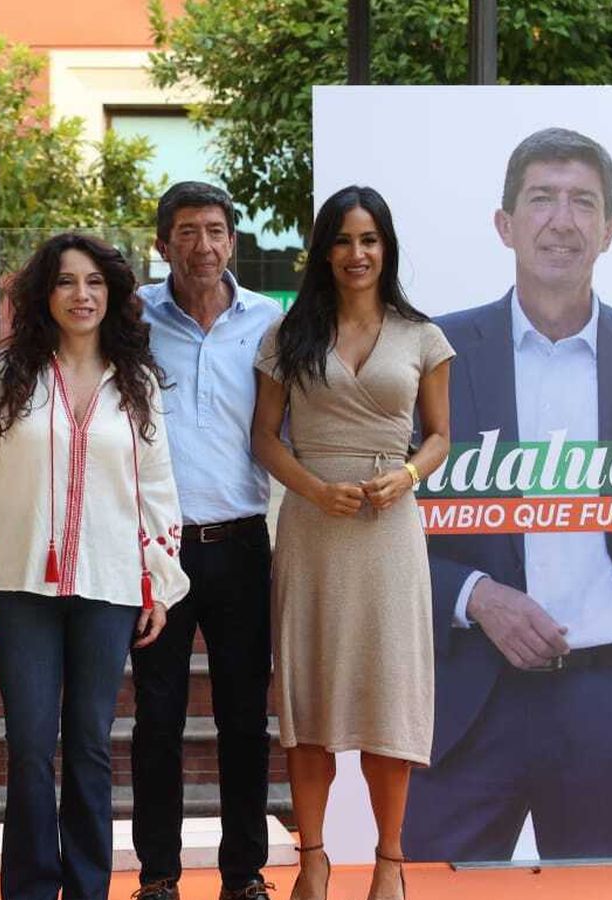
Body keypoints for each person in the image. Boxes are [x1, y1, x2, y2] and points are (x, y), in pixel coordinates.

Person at [403, 127, 612, 862]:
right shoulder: (437, 354)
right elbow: (384, 539)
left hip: (611, 705)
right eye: (541, 199)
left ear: (609, 230)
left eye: (584, 202)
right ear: (505, 224)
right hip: (465, 703)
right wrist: (476, 595)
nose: (562, 219)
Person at [0, 233, 188, 900]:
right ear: (44, 295)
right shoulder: (5, 376)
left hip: (110, 588)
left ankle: (88, 888)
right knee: (29, 747)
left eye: (93, 282)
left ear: (111, 293)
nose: (80, 295)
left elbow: (157, 487)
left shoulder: (136, 382)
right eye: (65, 282)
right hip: (23, 586)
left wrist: (160, 581)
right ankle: (29, 888)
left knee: (88, 746)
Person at [251, 186, 454, 900]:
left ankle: (390, 863)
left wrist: (407, 474)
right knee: (308, 703)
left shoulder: (423, 336)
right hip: (312, 531)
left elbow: (439, 437)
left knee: (386, 697)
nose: (356, 254)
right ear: (324, 251)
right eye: (342, 240)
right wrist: (311, 488)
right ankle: (313, 859)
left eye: (369, 240)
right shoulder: (288, 334)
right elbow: (263, 438)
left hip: (390, 532)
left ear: (386, 247)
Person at [130, 182, 281, 900]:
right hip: (156, 553)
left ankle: (244, 874)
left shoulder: (268, 322)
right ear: (162, 245)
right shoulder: (131, 321)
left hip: (243, 547)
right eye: (186, 232)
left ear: (233, 241)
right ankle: (158, 875)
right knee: (156, 718)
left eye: (216, 230)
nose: (203, 246)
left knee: (245, 719)